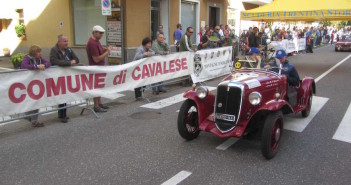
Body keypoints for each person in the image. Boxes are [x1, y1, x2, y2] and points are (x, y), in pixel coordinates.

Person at [50, 34, 80, 122]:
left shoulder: (69, 50)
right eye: (64, 41)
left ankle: (64, 114)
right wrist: (69, 63)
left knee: (65, 94)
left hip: (66, 76)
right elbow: (54, 61)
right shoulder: (54, 50)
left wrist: (72, 61)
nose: (67, 43)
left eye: (67, 41)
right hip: (57, 76)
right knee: (60, 94)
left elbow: (76, 59)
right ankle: (61, 115)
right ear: (59, 42)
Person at [21, 45, 51, 127]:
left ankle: (33, 119)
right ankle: (27, 115)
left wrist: (44, 65)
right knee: (31, 100)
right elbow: (24, 66)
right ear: (34, 53)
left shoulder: (40, 58)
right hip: (28, 82)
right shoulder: (27, 58)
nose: (40, 54)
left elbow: (48, 62)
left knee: (37, 100)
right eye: (38, 52)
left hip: (37, 82)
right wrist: (36, 66)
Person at [86, 25, 112, 113]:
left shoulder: (97, 42)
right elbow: (96, 59)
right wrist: (107, 52)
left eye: (102, 33)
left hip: (99, 68)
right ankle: (96, 106)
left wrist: (105, 50)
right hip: (95, 68)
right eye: (100, 33)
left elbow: (100, 53)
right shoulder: (92, 43)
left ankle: (99, 103)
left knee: (100, 86)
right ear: (95, 32)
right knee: (96, 87)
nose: (102, 35)